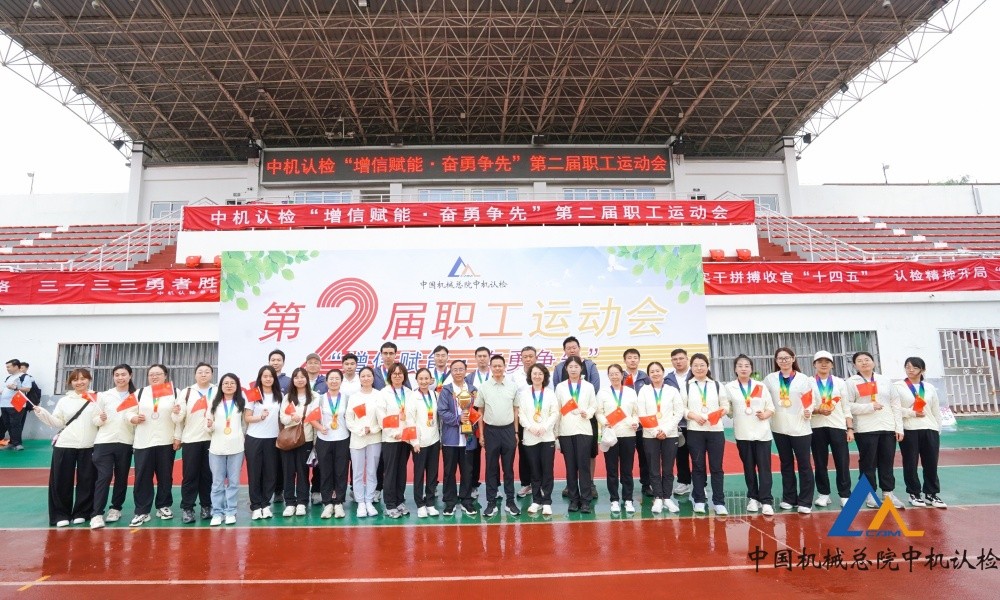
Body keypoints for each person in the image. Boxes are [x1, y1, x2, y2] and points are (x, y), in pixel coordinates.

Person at [33, 368, 99, 527]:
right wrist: (42, 413)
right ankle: (60, 514)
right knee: (61, 480)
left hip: (89, 445)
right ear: (70, 383)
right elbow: (58, 422)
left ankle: (82, 512)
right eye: (75, 379)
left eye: (83, 378)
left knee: (88, 480)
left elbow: (100, 420)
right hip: (65, 444)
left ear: (89, 380)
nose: (79, 382)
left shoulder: (97, 398)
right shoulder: (64, 401)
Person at [125, 364, 180, 526]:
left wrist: (177, 437)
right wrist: (133, 418)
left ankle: (163, 506)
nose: (154, 377)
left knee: (165, 475)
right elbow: (127, 411)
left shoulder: (175, 392)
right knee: (142, 477)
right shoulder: (139, 393)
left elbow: (180, 417)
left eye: (158, 374)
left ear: (165, 375)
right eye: (151, 374)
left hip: (166, 440)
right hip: (144, 442)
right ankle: (142, 511)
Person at [847, 351, 904, 509]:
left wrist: (899, 427)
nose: (864, 363)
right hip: (865, 428)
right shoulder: (851, 382)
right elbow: (847, 405)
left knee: (887, 461)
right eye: (859, 361)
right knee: (868, 463)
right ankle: (869, 494)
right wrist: (869, 406)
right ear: (855, 365)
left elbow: (895, 403)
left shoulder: (885, 380)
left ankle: (888, 493)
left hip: (887, 427)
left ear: (874, 362)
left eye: (867, 359)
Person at [763, 348, 815, 514]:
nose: (784, 361)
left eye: (787, 358)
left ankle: (805, 501)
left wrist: (808, 410)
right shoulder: (770, 379)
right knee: (786, 464)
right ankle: (789, 498)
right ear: (776, 361)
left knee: (804, 464)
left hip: (800, 428)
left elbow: (810, 400)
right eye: (780, 358)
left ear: (793, 359)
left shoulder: (803, 379)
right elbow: (763, 398)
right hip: (779, 427)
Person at [725, 355, 776, 515]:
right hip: (743, 433)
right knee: (748, 467)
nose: (743, 368)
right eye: (740, 365)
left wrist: (765, 414)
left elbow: (771, 407)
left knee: (764, 468)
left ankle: (766, 500)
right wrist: (727, 411)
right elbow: (728, 409)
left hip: (762, 433)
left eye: (747, 365)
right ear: (735, 369)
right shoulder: (730, 387)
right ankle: (753, 498)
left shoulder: (760, 386)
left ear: (751, 369)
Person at [552, 337, 601, 500]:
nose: (572, 350)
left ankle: (589, 484)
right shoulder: (559, 368)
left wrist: (584, 408)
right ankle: (571, 486)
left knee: (588, 453)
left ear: (579, 348)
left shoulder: (590, 365)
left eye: (574, 347)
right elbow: (557, 391)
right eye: (568, 348)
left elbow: (595, 387)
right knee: (571, 458)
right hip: (566, 419)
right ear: (564, 351)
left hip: (586, 416)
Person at [895, 357, 947, 508]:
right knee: (910, 463)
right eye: (907, 367)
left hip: (930, 429)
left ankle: (931, 494)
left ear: (922, 370)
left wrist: (937, 429)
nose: (910, 370)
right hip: (909, 429)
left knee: (931, 463)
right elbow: (895, 409)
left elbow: (935, 409)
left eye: (914, 367)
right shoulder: (898, 386)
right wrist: (911, 414)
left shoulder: (929, 387)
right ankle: (914, 493)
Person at [684, 353, 731, 515]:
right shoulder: (687, 386)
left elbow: (725, 406)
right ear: (691, 368)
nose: (699, 368)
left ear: (707, 366)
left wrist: (717, 414)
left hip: (715, 431)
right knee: (698, 467)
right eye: (695, 365)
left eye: (702, 365)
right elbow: (682, 408)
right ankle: (698, 500)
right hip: (695, 431)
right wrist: (694, 416)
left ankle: (719, 502)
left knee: (716, 467)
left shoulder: (716, 385)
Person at [475, 354, 521, 517]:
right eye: (494, 366)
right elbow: (480, 412)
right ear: (490, 367)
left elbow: (516, 411)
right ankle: (491, 502)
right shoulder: (484, 387)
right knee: (491, 468)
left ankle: (510, 502)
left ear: (504, 367)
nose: (497, 368)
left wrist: (516, 432)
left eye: (500, 365)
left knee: (508, 469)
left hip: (508, 431)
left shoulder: (513, 386)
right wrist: (481, 434)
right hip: (491, 432)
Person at [90, 364, 136, 527]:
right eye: (117, 375)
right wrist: (100, 419)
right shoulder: (104, 396)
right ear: (113, 377)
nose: (120, 378)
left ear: (130, 376)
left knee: (121, 477)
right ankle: (96, 514)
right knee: (104, 476)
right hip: (104, 442)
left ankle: (116, 508)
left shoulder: (136, 396)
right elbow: (94, 419)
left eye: (123, 374)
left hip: (125, 442)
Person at [636, 361, 684, 514]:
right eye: (652, 371)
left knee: (668, 468)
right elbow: (641, 413)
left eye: (658, 371)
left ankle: (667, 497)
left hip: (670, 434)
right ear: (648, 375)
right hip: (650, 435)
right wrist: (655, 431)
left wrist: (666, 430)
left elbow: (679, 412)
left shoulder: (672, 390)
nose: (655, 374)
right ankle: (658, 497)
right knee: (653, 468)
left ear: (663, 372)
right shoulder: (644, 390)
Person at [809, 351, 853, 508]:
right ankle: (823, 494)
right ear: (814, 364)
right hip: (816, 426)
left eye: (827, 361)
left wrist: (849, 428)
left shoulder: (840, 382)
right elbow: (806, 405)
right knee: (820, 462)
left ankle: (845, 494)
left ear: (832, 365)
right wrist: (817, 410)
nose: (823, 364)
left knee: (842, 462)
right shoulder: (809, 382)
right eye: (819, 361)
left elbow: (846, 406)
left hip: (837, 426)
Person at [172, 362, 215, 523]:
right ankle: (188, 508)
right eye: (200, 372)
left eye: (207, 372)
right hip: (191, 440)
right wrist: (176, 415)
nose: (203, 374)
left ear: (211, 374)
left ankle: (207, 506)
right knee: (190, 475)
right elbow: (178, 419)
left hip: (212, 439)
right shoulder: (187, 392)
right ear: (195, 375)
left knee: (208, 475)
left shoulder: (217, 390)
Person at [597, 364, 640, 514]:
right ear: (608, 376)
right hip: (610, 435)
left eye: (617, 373)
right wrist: (605, 422)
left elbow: (636, 413)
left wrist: (635, 422)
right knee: (612, 469)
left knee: (627, 469)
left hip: (628, 434)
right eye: (611, 374)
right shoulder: (603, 393)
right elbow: (599, 412)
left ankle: (628, 499)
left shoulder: (631, 392)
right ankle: (614, 499)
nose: (614, 376)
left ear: (622, 375)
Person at [439, 360, 479, 516]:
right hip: (451, 438)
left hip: (468, 438)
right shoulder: (446, 390)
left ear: (465, 371)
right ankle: (450, 502)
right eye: (455, 369)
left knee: (467, 471)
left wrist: (471, 419)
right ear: (451, 371)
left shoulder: (473, 390)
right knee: (449, 471)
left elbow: (478, 410)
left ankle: (466, 500)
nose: (458, 372)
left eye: (461, 369)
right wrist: (458, 419)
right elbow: (442, 411)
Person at [517, 363, 559, 515]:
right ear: (530, 376)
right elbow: (521, 414)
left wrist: (545, 427)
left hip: (547, 437)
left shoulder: (550, 393)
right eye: (534, 373)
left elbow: (555, 413)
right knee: (534, 470)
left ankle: (547, 501)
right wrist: (530, 427)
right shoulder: (524, 394)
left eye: (540, 373)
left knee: (547, 470)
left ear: (544, 376)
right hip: (530, 437)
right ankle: (536, 501)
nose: (537, 376)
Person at [205, 373, 246, 526]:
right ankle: (217, 512)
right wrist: (210, 426)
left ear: (237, 386)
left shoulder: (241, 402)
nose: (229, 386)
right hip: (217, 448)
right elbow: (207, 425)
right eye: (226, 383)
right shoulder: (214, 403)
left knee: (234, 482)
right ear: (221, 386)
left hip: (236, 448)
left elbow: (245, 424)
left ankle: (231, 511)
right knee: (217, 483)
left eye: (232, 383)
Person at [278, 367, 318, 517]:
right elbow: (283, 418)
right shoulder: (287, 397)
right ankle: (289, 503)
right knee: (288, 472)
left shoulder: (314, 396)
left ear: (307, 379)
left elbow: (315, 418)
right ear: (292, 380)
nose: (299, 380)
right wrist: (292, 418)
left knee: (302, 472)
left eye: (302, 377)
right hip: (288, 439)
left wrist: (315, 443)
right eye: (296, 377)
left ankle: (302, 502)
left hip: (306, 439)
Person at [377, 363, 414, 518]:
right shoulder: (383, 393)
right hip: (390, 439)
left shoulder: (409, 392)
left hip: (405, 438)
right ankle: (390, 504)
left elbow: (412, 415)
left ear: (404, 376)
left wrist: (407, 434)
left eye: (400, 373)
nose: (397, 376)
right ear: (390, 376)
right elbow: (381, 417)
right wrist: (393, 434)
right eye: (394, 373)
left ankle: (400, 501)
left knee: (401, 470)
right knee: (390, 471)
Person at [245, 365, 282, 520]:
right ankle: (255, 506)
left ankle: (266, 504)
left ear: (274, 378)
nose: (268, 379)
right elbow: (247, 417)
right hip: (254, 438)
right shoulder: (254, 394)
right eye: (265, 376)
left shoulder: (279, 395)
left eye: (270, 376)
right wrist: (260, 417)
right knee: (255, 473)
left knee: (270, 474)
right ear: (260, 378)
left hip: (273, 439)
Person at [346, 367, 382, 518]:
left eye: (369, 376)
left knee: (372, 471)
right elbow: (349, 419)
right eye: (363, 376)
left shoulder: (379, 395)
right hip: (357, 438)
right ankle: (360, 501)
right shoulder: (354, 397)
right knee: (358, 472)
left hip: (375, 438)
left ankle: (369, 500)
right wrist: (360, 430)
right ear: (359, 378)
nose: (366, 378)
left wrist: (372, 429)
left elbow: (383, 418)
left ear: (373, 378)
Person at [315, 369, 351, 519]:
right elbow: (312, 418)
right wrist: (320, 427)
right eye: (331, 378)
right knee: (325, 472)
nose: (334, 381)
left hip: (343, 438)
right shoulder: (320, 399)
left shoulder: (347, 398)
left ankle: (339, 502)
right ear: (326, 381)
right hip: (324, 440)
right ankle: (327, 503)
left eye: (337, 378)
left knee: (341, 472)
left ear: (341, 381)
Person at [409, 368, 442, 517]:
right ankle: (420, 504)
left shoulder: (435, 395)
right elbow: (410, 420)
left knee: (432, 473)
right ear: (417, 380)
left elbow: (438, 418)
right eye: (421, 379)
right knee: (419, 474)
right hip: (419, 442)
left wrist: (440, 439)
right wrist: (414, 441)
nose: (423, 381)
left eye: (426, 378)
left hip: (434, 440)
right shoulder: (412, 396)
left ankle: (430, 502)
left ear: (430, 380)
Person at [622, 349, 652, 497]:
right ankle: (625, 486)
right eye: (629, 358)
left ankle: (646, 485)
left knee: (645, 457)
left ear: (639, 360)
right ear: (625, 360)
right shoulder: (620, 376)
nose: (632, 360)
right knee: (625, 458)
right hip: (625, 425)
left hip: (642, 426)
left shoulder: (645, 378)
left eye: (635, 357)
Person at [665, 349, 693, 497]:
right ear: (672, 361)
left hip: (695, 423)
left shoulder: (695, 374)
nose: (678, 361)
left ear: (687, 359)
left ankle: (700, 485)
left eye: (681, 358)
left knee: (698, 456)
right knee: (681, 455)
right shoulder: (668, 379)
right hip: (678, 424)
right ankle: (684, 482)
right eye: (675, 359)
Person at [465, 346, 492, 497]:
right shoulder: (469, 378)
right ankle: (473, 485)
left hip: (492, 417)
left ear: (489, 358)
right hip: (474, 419)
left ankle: (494, 486)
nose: (482, 359)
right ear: (475, 358)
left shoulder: (496, 375)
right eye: (479, 356)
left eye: (484, 356)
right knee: (473, 454)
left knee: (493, 453)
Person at [304, 353, 326, 505]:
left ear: (320, 365)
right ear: (306, 365)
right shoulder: (300, 380)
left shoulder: (325, 382)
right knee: (302, 462)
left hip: (319, 426)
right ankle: (303, 492)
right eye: (310, 362)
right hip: (303, 428)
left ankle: (316, 490)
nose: (313, 365)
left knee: (319, 460)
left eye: (316, 362)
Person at [1, 359, 32, 451]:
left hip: (16, 403)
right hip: (4, 404)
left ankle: (18, 444)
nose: (7, 369)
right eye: (7, 367)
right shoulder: (9, 377)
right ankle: (12, 442)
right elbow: (4, 390)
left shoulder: (24, 376)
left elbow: (27, 389)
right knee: (7, 423)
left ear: (16, 366)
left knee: (15, 424)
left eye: (9, 367)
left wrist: (15, 387)